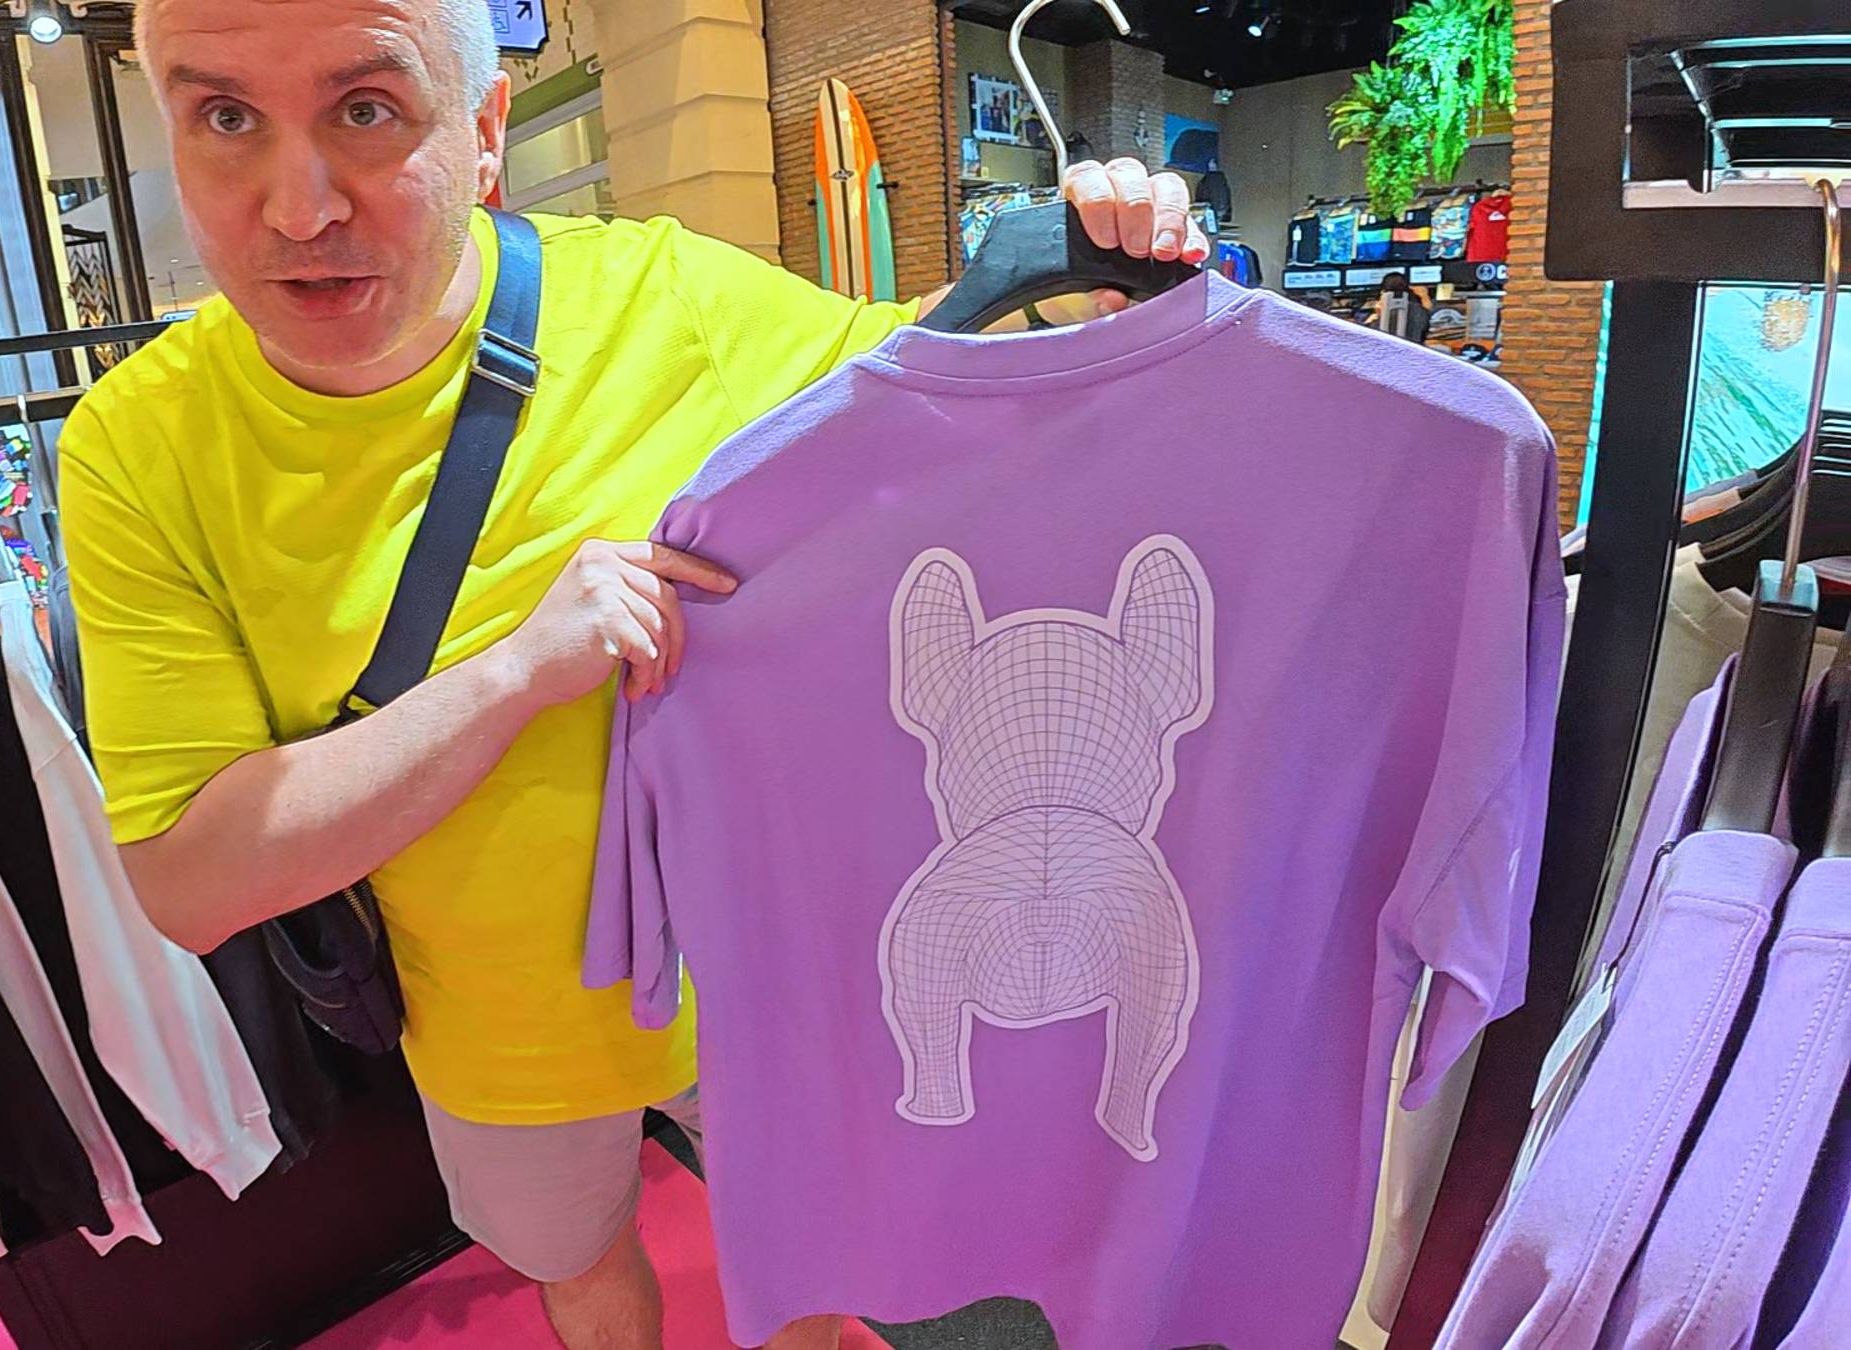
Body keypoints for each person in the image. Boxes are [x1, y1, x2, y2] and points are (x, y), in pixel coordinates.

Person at [68, 3, 1204, 1346]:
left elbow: (945, 373)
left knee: (815, 1276)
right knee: (587, 1275)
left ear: (484, 129)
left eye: (366, 110)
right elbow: (193, 880)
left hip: (767, 982)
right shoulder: (139, 449)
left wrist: (1083, 284)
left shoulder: (671, 303)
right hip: (496, 1031)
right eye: (225, 117)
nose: (299, 206)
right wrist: (516, 673)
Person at [1374, 270, 1433, 342]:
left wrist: (1378, 316)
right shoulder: (1421, 311)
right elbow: (1424, 334)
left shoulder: (1383, 314)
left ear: (1383, 292)